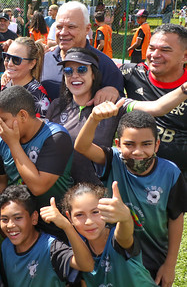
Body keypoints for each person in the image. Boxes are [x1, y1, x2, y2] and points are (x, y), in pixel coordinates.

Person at [74, 109, 187, 285]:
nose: (137, 151)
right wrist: (94, 118)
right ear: (118, 144)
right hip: (115, 256)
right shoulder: (113, 160)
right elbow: (82, 146)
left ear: (157, 145)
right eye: (130, 144)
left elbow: (176, 218)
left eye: (146, 144)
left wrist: (170, 264)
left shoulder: (170, 173)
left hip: (153, 255)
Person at [47, 47, 187, 185]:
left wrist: (184, 88)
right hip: (59, 189)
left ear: (94, 74)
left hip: (96, 195)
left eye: (82, 70)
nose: (74, 75)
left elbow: (158, 107)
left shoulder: (114, 105)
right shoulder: (57, 106)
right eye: (68, 71)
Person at [0, 86, 72, 238]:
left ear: (23, 115)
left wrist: (14, 144)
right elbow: (2, 182)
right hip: (18, 227)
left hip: (54, 226)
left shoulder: (56, 137)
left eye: (3, 120)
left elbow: (38, 187)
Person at [121, 23, 187, 179]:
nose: (155, 55)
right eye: (151, 48)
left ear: (185, 56)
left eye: (165, 50)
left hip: (179, 180)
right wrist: (108, 88)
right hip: (132, 174)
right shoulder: (131, 74)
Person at [61, 182, 157, 286]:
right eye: (79, 215)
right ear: (69, 217)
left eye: (95, 212)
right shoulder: (78, 246)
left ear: (105, 210)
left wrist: (125, 218)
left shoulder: (116, 239)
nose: (89, 222)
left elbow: (124, 236)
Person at [0, 185, 94, 286]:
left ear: (34, 218)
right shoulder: (6, 246)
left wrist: (67, 226)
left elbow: (87, 266)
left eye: (18, 218)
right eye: (4, 219)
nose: (10, 225)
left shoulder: (51, 248)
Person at [41, 1, 124, 101]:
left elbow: (119, 105)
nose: (63, 32)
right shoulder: (44, 60)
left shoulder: (105, 66)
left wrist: (112, 92)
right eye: (59, 27)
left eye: (71, 27)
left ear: (87, 29)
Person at [1, 37, 50, 118]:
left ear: (32, 64)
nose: (9, 63)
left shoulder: (39, 98)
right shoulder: (7, 84)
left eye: (16, 60)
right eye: (7, 57)